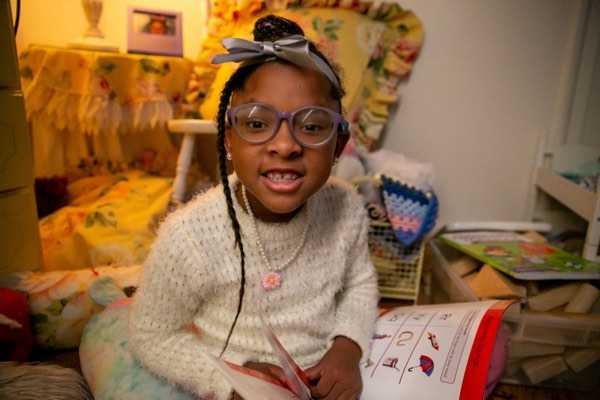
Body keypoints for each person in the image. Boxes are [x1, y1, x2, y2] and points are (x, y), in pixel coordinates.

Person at [128, 14, 379, 400]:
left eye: (312, 126)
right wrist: (231, 380)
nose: (284, 145)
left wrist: (347, 349)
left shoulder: (346, 209)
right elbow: (151, 335)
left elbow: (359, 285)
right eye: (258, 124)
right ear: (229, 139)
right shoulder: (190, 235)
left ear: (338, 147)